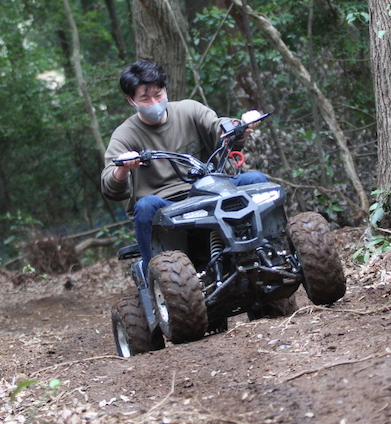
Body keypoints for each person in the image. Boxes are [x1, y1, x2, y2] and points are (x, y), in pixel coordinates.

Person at [101, 60, 268, 278]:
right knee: (145, 206)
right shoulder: (125, 134)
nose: (154, 103)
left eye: (158, 95)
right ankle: (155, 278)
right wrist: (123, 168)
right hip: (166, 204)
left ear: (165, 89)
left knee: (255, 180)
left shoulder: (189, 110)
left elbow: (218, 127)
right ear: (131, 100)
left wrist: (241, 127)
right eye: (145, 99)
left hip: (210, 189)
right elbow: (110, 185)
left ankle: (269, 252)